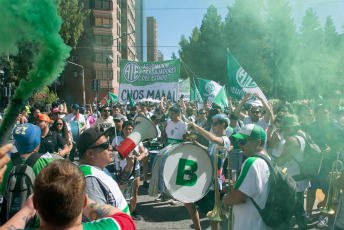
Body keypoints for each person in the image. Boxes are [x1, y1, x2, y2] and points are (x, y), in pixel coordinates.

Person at [0, 159, 136, 230]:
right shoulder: (118, 226)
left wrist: (27, 210)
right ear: (84, 202)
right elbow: (122, 217)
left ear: (35, 202)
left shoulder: (31, 206)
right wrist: (76, 196)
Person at [187, 113, 232, 230]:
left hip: (213, 182)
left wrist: (196, 127)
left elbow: (211, 138)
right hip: (205, 177)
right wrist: (197, 144)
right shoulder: (217, 140)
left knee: (212, 217)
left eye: (214, 123)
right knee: (187, 201)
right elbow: (210, 150)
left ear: (223, 125)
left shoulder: (224, 140)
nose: (212, 126)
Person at [222, 124, 270, 230]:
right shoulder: (269, 160)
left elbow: (237, 198)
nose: (239, 145)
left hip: (250, 224)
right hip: (262, 223)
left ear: (258, 142)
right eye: (238, 141)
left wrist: (225, 199)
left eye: (243, 141)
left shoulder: (251, 162)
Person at [77, 127, 131, 217]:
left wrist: (129, 164)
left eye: (109, 143)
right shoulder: (89, 179)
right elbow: (99, 220)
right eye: (105, 145)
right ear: (90, 153)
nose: (111, 147)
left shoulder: (99, 168)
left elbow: (119, 185)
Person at [306, 105, 344, 227]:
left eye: (325, 113)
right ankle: (308, 215)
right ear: (316, 115)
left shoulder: (336, 128)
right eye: (320, 113)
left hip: (328, 165)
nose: (323, 115)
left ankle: (325, 217)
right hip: (313, 164)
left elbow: (341, 145)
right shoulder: (312, 127)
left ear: (329, 114)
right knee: (311, 190)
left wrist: (331, 149)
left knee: (328, 191)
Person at [275, 114, 309, 230]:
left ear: (290, 127)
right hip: (302, 177)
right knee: (300, 209)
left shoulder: (291, 140)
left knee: (287, 211)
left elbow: (281, 160)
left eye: (285, 128)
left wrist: (272, 155)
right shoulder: (304, 135)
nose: (284, 130)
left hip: (292, 179)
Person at [112, 121, 146, 220]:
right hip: (121, 168)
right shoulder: (117, 139)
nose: (128, 131)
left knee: (134, 191)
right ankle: (119, 211)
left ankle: (132, 211)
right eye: (126, 129)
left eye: (130, 129)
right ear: (122, 129)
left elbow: (143, 152)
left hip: (135, 167)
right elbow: (111, 152)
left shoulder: (137, 140)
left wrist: (139, 158)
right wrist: (115, 148)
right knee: (120, 190)